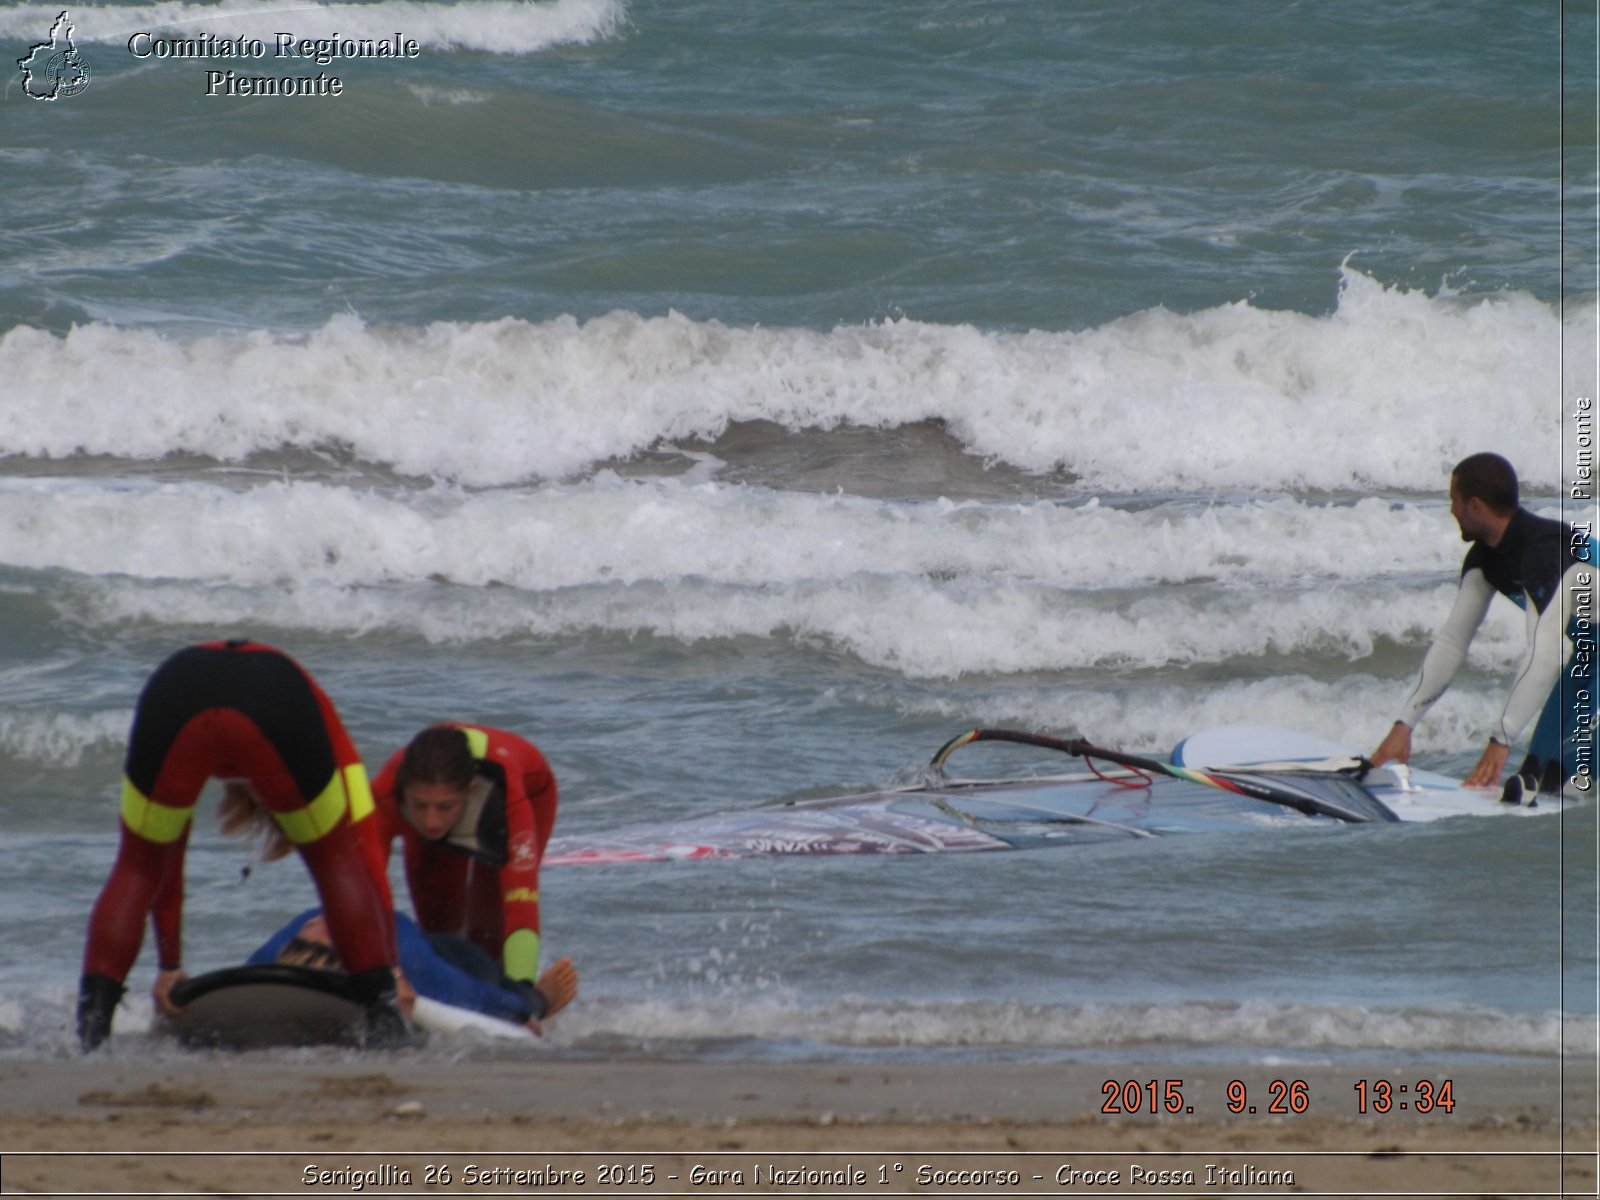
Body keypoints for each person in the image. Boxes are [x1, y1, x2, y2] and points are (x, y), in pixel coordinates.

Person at [78, 639, 413, 1050]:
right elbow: (361, 858)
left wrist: (170, 964)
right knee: (335, 861)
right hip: (275, 693)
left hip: (175, 687)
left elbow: (161, 865)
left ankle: (90, 1032)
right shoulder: (321, 720)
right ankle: (385, 1025)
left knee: (135, 866)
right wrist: (390, 972)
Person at [1370, 453, 1597, 803]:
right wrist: (1404, 725)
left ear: (1475, 505)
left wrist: (1500, 740)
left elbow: (1543, 656)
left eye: (1454, 500)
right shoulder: (1485, 559)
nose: (1451, 510)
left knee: (1576, 782)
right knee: (1539, 776)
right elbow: (1451, 643)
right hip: (1590, 658)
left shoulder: (1546, 553)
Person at [370, 724, 574, 1001]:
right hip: (434, 802)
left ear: (470, 790)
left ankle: (506, 996)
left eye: (444, 807)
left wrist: (523, 994)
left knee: (487, 935)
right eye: (419, 805)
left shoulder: (504, 793)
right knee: (437, 928)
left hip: (529, 795)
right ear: (404, 791)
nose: (431, 821)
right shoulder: (384, 793)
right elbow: (367, 891)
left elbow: (521, 906)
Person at [249, 909, 577, 1034]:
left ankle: (539, 995)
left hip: (451, 956)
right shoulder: (271, 958)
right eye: (323, 939)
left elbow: (478, 997)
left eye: (317, 931)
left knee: (486, 982)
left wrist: (527, 1008)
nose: (321, 925)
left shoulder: (405, 955)